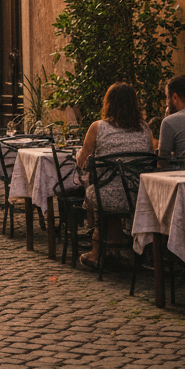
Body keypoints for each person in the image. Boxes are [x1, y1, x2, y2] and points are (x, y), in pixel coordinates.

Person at [75, 82, 154, 271]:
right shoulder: (145, 129)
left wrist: (81, 154)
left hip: (106, 198)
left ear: (108, 103)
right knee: (106, 187)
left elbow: (81, 161)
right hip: (138, 197)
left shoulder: (98, 127)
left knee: (93, 189)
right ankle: (117, 240)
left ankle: (99, 250)